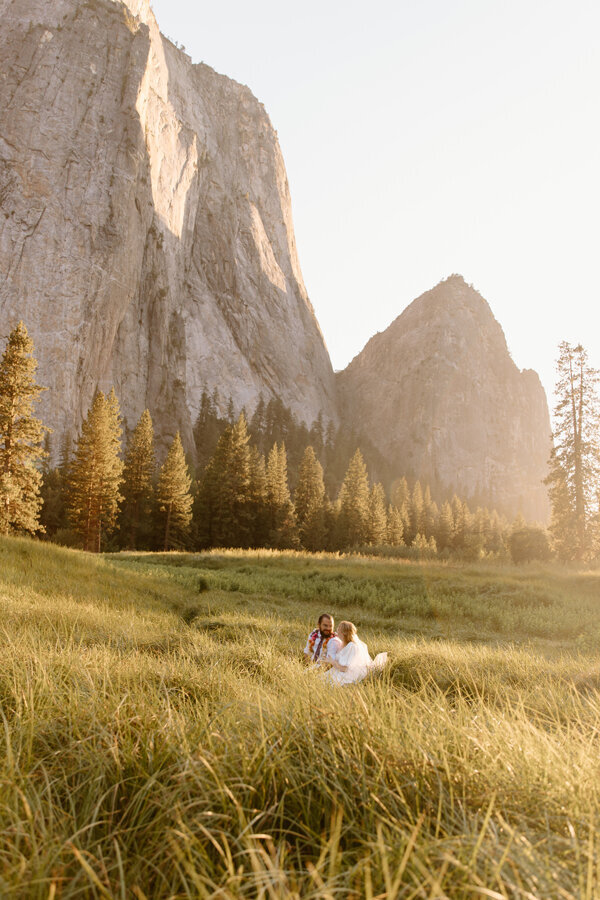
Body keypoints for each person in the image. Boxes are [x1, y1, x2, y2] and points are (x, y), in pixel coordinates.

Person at [327, 620, 374, 685]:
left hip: (347, 674)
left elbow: (345, 669)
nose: (337, 631)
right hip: (339, 670)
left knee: (328, 681)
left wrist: (333, 662)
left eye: (339, 629)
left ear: (343, 633)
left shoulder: (352, 646)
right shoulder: (343, 644)